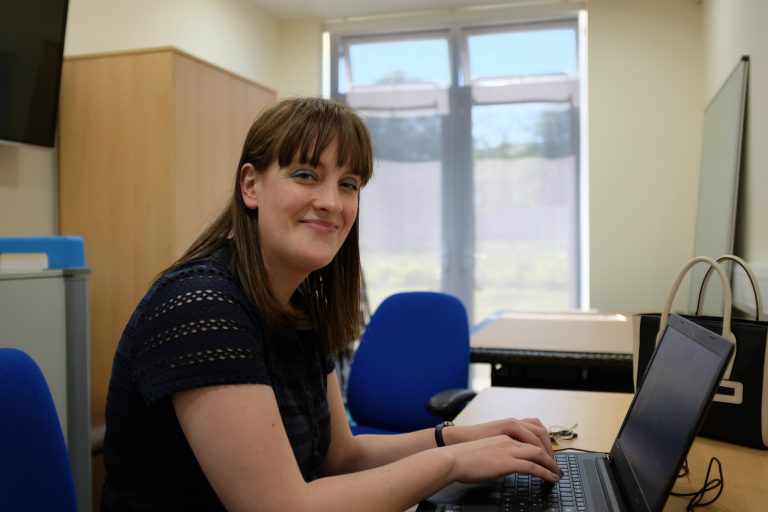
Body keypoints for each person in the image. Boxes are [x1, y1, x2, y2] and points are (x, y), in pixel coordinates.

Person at [100, 97, 561, 511]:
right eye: (306, 175)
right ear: (251, 186)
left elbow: (343, 456)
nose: (331, 202)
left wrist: (459, 437)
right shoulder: (202, 306)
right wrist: (453, 462)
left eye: (349, 184)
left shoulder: (294, 305)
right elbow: (280, 506)